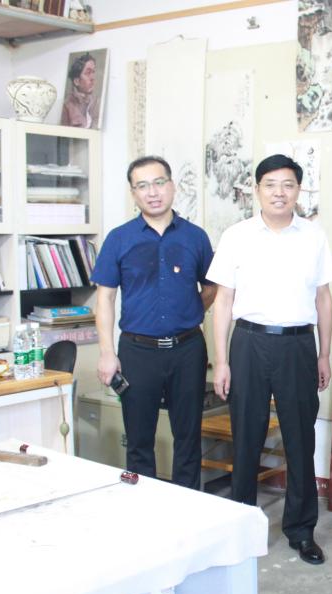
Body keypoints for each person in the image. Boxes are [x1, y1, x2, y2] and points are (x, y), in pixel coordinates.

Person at [208, 154, 332, 565]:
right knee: (247, 436)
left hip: (298, 346)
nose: (279, 192)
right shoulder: (237, 236)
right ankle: (242, 529)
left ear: (299, 190)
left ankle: (301, 532)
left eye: (288, 185)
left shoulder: (313, 236)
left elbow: (323, 298)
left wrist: (324, 353)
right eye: (270, 184)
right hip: (249, 343)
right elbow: (222, 301)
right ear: (257, 189)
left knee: (300, 439)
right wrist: (221, 361)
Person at [92, 156, 216, 489]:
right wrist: (107, 352)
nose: (153, 192)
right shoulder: (119, 239)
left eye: (159, 183)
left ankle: (188, 505)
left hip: (187, 349)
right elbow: (105, 299)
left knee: (188, 437)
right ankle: (144, 508)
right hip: (137, 351)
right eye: (142, 186)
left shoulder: (195, 237)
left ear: (172, 186)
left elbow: (211, 287)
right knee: (138, 439)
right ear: (133, 193)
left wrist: (188, 312)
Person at [61, 52, 97, 129]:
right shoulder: (67, 106)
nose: (92, 78)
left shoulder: (96, 102)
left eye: (93, 72)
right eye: (88, 73)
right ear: (76, 81)